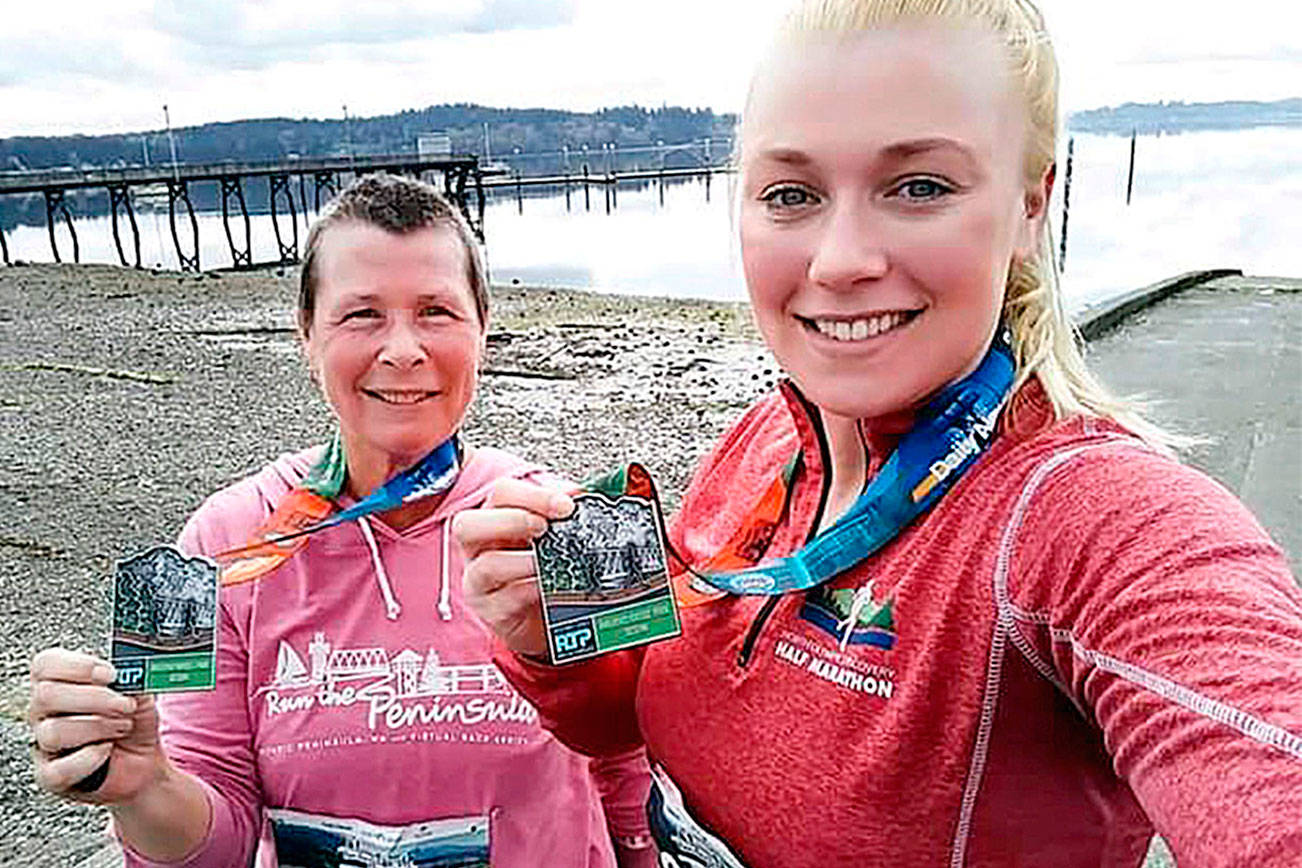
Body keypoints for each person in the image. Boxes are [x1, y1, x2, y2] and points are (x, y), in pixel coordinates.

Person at [454, 2, 1302, 866]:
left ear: (1031, 205)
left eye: (920, 187)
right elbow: (624, 715)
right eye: (792, 194)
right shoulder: (760, 442)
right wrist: (546, 639)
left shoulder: (1095, 523)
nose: (840, 260)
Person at [28, 174, 655, 867]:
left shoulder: (568, 522)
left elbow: (627, 773)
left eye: (437, 312)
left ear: (482, 329)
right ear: (306, 336)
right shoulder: (211, 548)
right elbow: (216, 840)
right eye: (362, 315)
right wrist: (141, 788)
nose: (403, 349)